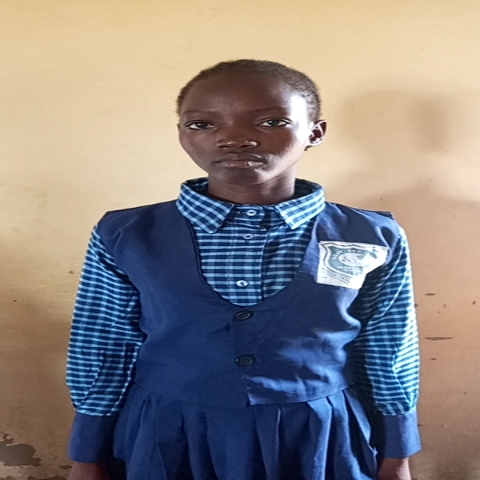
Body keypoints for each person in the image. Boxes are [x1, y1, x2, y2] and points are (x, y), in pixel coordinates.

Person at [66, 59, 421, 480]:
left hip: (318, 434)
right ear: (181, 133)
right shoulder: (126, 233)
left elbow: (388, 350)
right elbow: (104, 347)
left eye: (271, 121)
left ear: (315, 132)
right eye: (202, 124)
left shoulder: (372, 234)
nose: (234, 138)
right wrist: (87, 455)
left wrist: (397, 454)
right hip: (170, 431)